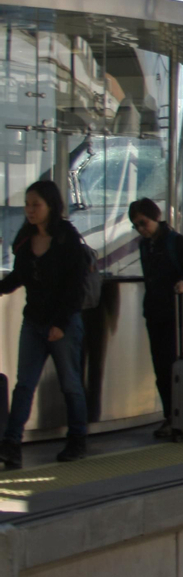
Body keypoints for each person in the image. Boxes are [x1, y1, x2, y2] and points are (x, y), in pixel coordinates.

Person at [0, 180, 90, 466]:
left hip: (62, 323)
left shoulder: (67, 239)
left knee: (70, 384)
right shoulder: (26, 239)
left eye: (35, 204)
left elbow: (76, 287)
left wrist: (61, 323)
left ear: (51, 205)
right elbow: (19, 277)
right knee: (24, 385)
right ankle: (12, 444)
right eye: (27, 204)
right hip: (34, 321)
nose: (29, 210)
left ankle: (77, 440)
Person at [129, 198, 183, 439]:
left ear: (155, 218)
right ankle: (171, 415)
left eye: (143, 223)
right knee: (161, 367)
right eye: (136, 226)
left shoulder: (177, 244)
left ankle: (181, 415)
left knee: (174, 365)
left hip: (178, 311)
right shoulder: (146, 245)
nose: (141, 229)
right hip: (156, 311)